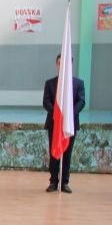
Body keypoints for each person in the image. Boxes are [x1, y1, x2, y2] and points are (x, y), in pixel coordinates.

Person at [43, 53, 85, 193]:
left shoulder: (78, 83)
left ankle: (64, 182)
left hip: (70, 124)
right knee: (54, 152)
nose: (62, 66)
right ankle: (53, 181)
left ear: (71, 64)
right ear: (57, 64)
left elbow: (81, 101)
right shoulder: (50, 83)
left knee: (67, 154)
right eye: (60, 63)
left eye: (65, 63)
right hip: (54, 123)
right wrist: (58, 115)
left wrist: (69, 115)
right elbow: (46, 101)